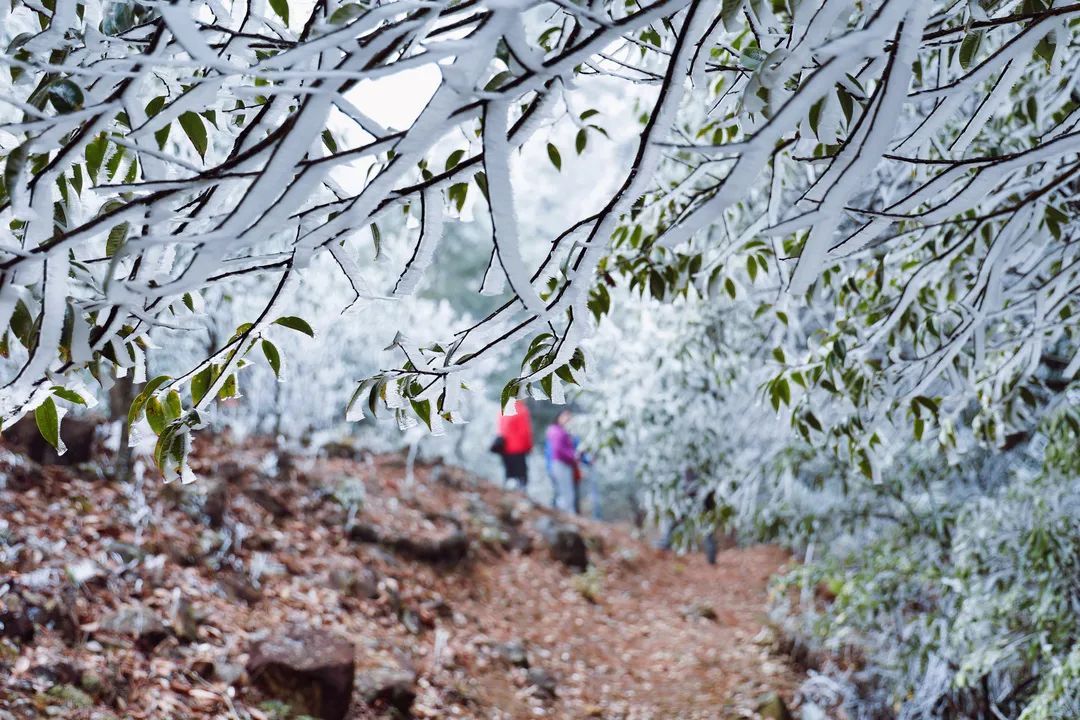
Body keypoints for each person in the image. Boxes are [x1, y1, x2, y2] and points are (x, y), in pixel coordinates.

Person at [545, 410, 578, 513]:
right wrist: (573, 456)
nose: (567, 419)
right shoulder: (556, 431)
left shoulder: (565, 432)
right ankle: (564, 515)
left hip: (563, 464)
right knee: (564, 493)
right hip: (560, 464)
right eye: (565, 417)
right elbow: (558, 450)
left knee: (565, 492)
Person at [496, 400, 533, 490]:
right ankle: (521, 498)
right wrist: (529, 447)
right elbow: (526, 432)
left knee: (509, 476)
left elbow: (500, 429)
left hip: (504, 448)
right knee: (521, 478)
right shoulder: (522, 410)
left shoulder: (503, 409)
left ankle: (508, 498)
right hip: (518, 449)